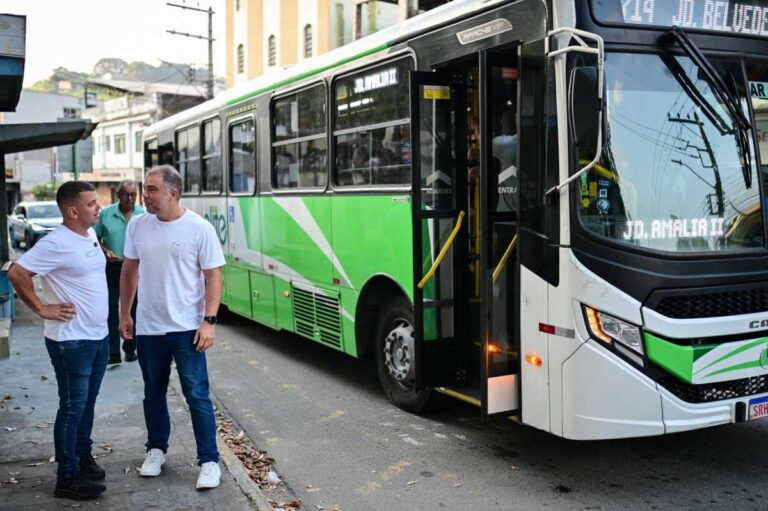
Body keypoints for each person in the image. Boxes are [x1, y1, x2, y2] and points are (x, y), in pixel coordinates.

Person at [118, 165, 225, 490]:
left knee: (197, 395)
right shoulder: (138, 224)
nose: (144, 195)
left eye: (151, 190)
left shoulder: (199, 229)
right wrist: (125, 314)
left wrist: (209, 321)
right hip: (150, 328)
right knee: (153, 394)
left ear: (172, 193)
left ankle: (209, 461)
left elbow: (213, 276)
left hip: (188, 329)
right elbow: (129, 271)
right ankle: (156, 450)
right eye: (144, 188)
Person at [8, 181, 109, 501]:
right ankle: (67, 476)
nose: (98, 207)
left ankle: (81, 456)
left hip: (97, 336)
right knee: (72, 407)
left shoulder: (88, 234)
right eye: (92, 203)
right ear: (73, 211)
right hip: (71, 342)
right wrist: (41, 308)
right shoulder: (56, 242)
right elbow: (17, 272)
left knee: (87, 404)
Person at [94, 179, 145, 364]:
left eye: (133, 195)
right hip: (112, 267)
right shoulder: (106, 214)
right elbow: (95, 237)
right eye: (126, 194)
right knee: (110, 309)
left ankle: (130, 349)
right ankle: (113, 353)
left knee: (133, 309)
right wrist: (105, 250)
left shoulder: (143, 215)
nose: (130, 198)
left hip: (135, 268)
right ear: (118, 194)